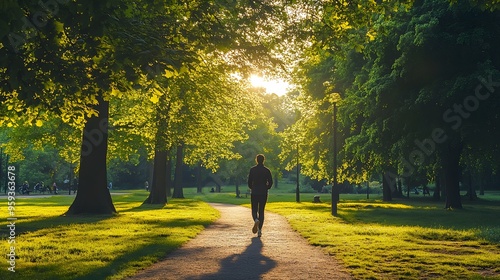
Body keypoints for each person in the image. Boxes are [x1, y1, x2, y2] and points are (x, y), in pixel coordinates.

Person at [247, 154, 273, 237]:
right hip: (263, 192)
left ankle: (256, 219)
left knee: (254, 209)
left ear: (256, 160)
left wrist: (252, 188)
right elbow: (271, 182)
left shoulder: (252, 170)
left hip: (254, 192)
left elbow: (249, 182)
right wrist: (266, 188)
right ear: (263, 160)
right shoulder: (267, 170)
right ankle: (259, 230)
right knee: (261, 210)